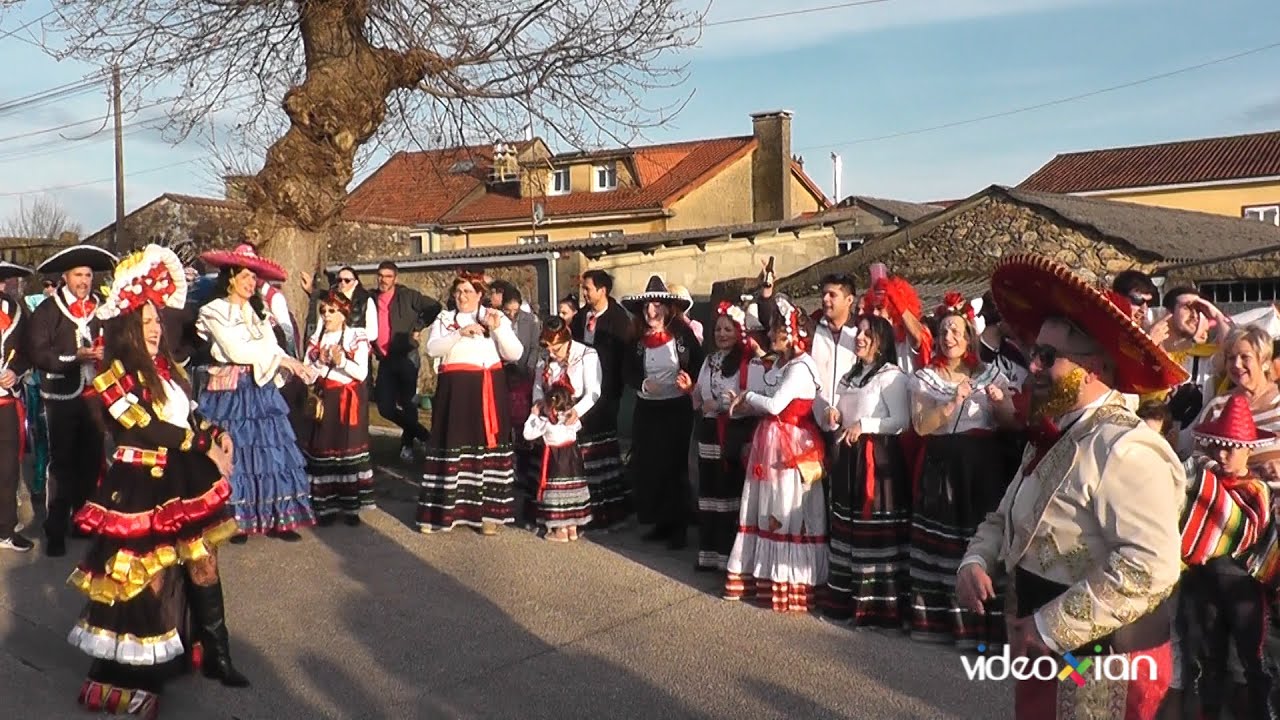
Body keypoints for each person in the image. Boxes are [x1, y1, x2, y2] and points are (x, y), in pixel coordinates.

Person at [958, 253, 1188, 720]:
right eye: (1032, 353)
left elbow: (1152, 566)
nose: (1034, 367)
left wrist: (1049, 627)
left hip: (1105, 664)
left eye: (1047, 356)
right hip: (1046, 653)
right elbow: (1005, 516)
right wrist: (977, 560)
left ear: (1094, 366)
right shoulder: (1055, 433)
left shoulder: (1126, 448)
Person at [67, 244, 249, 719]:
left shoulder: (169, 370)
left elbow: (189, 415)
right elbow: (144, 426)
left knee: (203, 563)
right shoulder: (113, 374)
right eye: (145, 321)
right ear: (128, 325)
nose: (154, 328)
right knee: (145, 576)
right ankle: (139, 671)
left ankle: (217, 654)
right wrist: (200, 443)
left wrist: (217, 432)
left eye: (156, 320)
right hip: (138, 484)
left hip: (182, 477)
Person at [908, 291, 1017, 648]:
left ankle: (981, 628)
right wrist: (953, 402)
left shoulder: (991, 375)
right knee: (943, 543)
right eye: (942, 332)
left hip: (981, 468)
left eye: (955, 330)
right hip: (943, 466)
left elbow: (1008, 422)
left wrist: (1001, 405)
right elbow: (922, 424)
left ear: (969, 335)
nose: (948, 337)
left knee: (978, 538)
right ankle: (940, 623)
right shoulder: (926, 377)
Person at [195, 244, 318, 542]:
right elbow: (235, 349)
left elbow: (269, 347)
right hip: (231, 391)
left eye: (254, 278)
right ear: (231, 278)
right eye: (246, 277)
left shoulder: (256, 311)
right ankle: (235, 518)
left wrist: (296, 365)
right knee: (236, 450)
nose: (251, 283)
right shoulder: (213, 311)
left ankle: (278, 517)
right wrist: (281, 360)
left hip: (259, 388)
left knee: (272, 451)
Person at [723, 294, 828, 612]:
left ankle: (790, 582)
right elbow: (763, 404)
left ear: (793, 333)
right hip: (770, 440)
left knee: (785, 507)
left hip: (791, 445)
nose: (769, 336)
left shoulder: (800, 368)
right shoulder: (781, 364)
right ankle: (764, 577)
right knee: (764, 505)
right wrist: (741, 405)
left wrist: (747, 395)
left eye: (775, 330)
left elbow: (773, 404)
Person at [1177, 394, 1274, 719]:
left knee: (1252, 660)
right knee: (1208, 658)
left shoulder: (1256, 489)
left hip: (1244, 588)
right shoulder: (1204, 479)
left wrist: (1210, 500)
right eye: (1217, 445)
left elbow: (1246, 530)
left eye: (1230, 447)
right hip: (1203, 584)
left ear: (1249, 448)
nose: (1222, 453)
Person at [821, 314, 912, 628]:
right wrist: (835, 413)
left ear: (882, 341)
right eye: (858, 332)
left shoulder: (892, 376)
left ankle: (875, 609)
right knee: (847, 528)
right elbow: (845, 414)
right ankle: (844, 601)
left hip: (877, 459)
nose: (859, 338)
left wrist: (866, 425)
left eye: (867, 334)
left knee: (872, 531)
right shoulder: (851, 375)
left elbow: (902, 421)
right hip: (848, 458)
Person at [29, 243, 118, 557]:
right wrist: (74, 356)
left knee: (91, 460)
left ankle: (84, 520)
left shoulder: (102, 307)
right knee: (62, 461)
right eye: (78, 274)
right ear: (65, 277)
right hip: (61, 395)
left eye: (88, 275)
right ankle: (55, 527)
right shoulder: (48, 310)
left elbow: (116, 342)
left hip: (95, 395)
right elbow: (39, 354)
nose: (84, 281)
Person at [419, 271, 523, 534]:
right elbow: (432, 349)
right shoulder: (445, 318)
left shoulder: (494, 317)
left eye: (468, 292)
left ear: (479, 294)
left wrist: (498, 329)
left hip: (487, 388)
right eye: (459, 292)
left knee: (484, 445)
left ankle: (488, 514)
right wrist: (460, 334)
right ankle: (442, 512)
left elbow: (515, 353)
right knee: (452, 441)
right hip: (455, 391)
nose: (462, 296)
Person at [621, 275, 704, 550]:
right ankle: (659, 522)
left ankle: (678, 527)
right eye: (647, 307)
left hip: (676, 409)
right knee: (651, 466)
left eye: (656, 306)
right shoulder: (636, 340)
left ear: (668, 309)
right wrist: (644, 383)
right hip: (647, 409)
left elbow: (699, 363)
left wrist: (689, 383)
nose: (651, 312)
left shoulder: (682, 335)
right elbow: (628, 371)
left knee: (675, 467)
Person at [689, 301, 766, 571]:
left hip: (733, 434)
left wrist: (723, 406)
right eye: (718, 329)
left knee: (729, 493)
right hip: (710, 433)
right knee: (709, 492)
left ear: (739, 332)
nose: (722, 334)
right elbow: (700, 394)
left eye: (728, 329)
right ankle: (709, 553)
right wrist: (692, 391)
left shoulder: (750, 362)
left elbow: (754, 401)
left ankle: (729, 556)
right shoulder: (710, 360)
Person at [302, 291, 374, 527]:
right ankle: (325, 506)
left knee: (347, 450)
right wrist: (320, 360)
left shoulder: (356, 336)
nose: (326, 315)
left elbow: (361, 373)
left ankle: (351, 506)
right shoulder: (317, 337)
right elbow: (307, 373)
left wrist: (341, 361)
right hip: (324, 399)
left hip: (347, 399)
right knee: (324, 450)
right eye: (323, 311)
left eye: (331, 311)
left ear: (343, 313)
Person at [569, 269, 633, 529]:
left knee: (602, 448)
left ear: (602, 290)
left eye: (588, 289)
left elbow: (624, 358)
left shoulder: (619, 320)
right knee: (584, 448)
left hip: (606, 394)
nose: (584, 293)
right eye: (583, 288)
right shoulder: (581, 318)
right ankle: (588, 505)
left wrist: (614, 388)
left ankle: (610, 507)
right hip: (582, 392)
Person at [369, 261, 441, 461]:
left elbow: (435, 306)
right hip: (385, 357)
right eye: (381, 275)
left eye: (388, 276)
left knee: (408, 403)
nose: (384, 280)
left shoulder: (407, 296)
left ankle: (407, 445)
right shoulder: (371, 298)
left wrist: (418, 327)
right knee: (385, 407)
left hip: (407, 354)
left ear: (395, 278)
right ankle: (425, 436)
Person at [523, 383, 591, 542]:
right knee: (572, 493)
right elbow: (578, 426)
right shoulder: (572, 421)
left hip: (556, 463)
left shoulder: (546, 424)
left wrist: (533, 415)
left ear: (550, 409)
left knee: (558, 495)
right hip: (573, 464)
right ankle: (572, 529)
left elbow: (528, 434)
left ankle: (560, 531)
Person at [0, 260, 34, 552]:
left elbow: (27, 352)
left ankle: (5, 529)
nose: (1, 287)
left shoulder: (17, 312)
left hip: (6, 401)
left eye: (3, 281)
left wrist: (17, 371)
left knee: (8, 468)